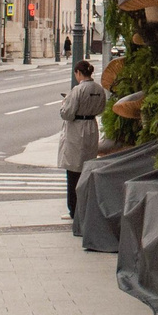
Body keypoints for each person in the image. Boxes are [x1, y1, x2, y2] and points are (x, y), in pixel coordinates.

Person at [57, 60, 105, 217]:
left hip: (77, 129)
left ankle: (74, 208)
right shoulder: (99, 89)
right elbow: (102, 108)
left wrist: (64, 103)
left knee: (73, 169)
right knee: (88, 166)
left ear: (78, 73)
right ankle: (86, 206)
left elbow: (67, 113)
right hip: (92, 126)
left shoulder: (78, 90)